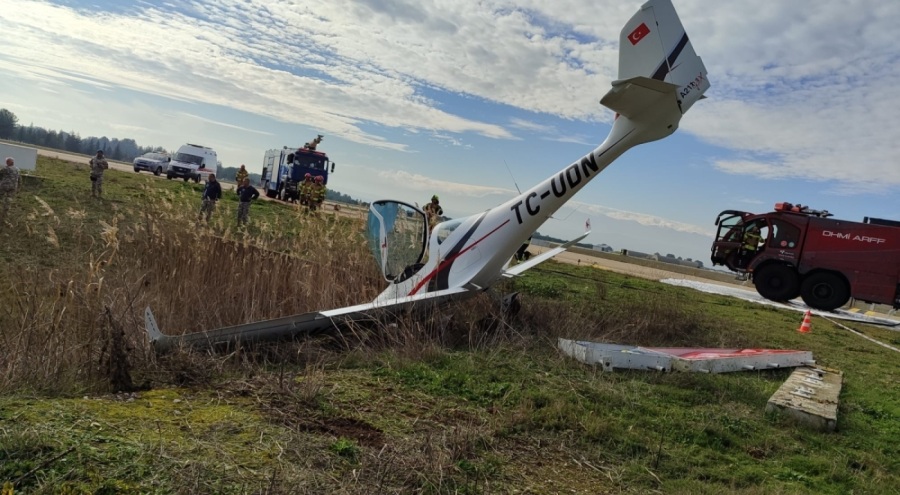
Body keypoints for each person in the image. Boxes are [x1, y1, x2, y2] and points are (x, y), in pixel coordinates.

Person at [0, 157, 20, 224]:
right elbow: (19, 179)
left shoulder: (6, 168)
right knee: (8, 200)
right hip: (13, 187)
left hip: (4, 186)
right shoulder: (17, 169)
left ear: (8, 162)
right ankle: (5, 215)